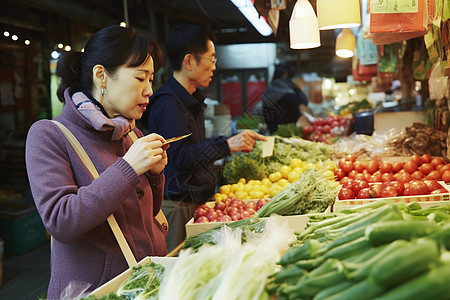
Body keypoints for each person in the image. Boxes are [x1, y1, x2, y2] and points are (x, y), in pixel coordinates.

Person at [25, 25, 169, 299]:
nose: (149, 90)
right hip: (98, 292)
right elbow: (61, 220)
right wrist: (128, 169)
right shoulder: (48, 135)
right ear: (101, 75)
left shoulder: (131, 132)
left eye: (151, 79)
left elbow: (146, 214)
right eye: (141, 78)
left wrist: (154, 176)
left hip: (147, 284)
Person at [146, 24, 266, 252]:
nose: (214, 67)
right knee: (178, 265)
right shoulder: (169, 104)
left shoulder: (190, 100)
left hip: (193, 202)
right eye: (211, 59)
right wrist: (227, 145)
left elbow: (193, 150)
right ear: (189, 61)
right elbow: (180, 158)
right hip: (176, 205)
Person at [262, 61, 309, 133]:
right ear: (285, 74)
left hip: (273, 131)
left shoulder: (269, 89)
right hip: (288, 132)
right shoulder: (290, 93)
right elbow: (303, 103)